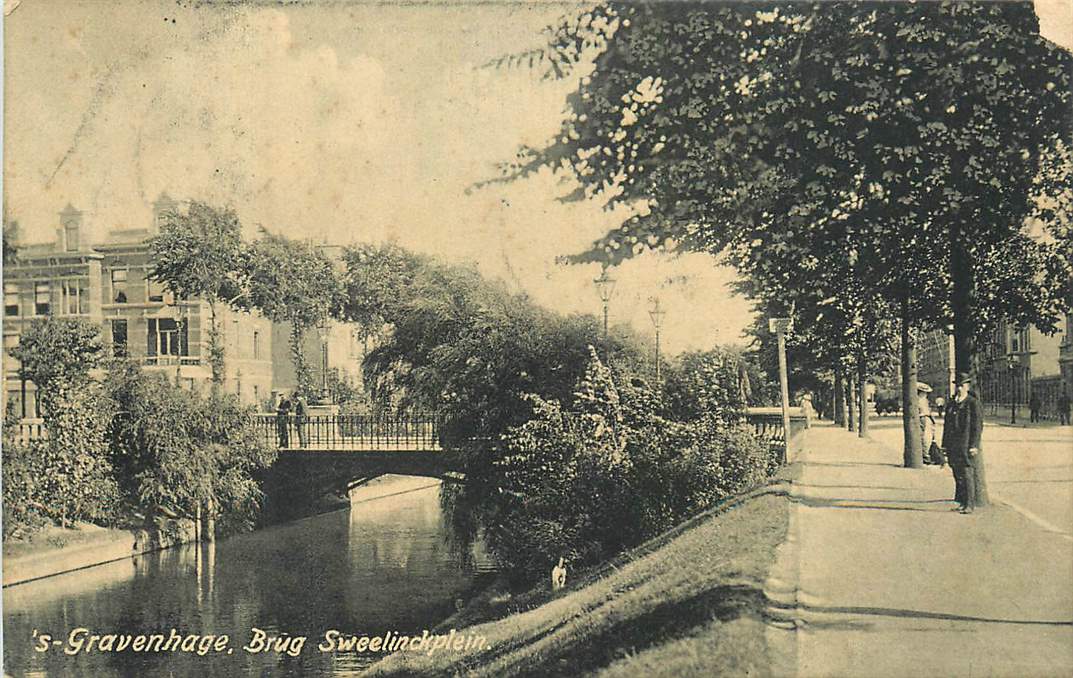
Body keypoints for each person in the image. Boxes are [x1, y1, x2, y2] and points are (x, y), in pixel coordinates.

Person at [941, 373, 983, 514]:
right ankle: (961, 502)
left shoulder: (972, 403)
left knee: (966, 473)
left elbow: (977, 426)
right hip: (953, 445)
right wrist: (944, 445)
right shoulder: (952, 403)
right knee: (957, 473)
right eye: (957, 385)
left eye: (962, 385)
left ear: (967, 386)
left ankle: (969, 504)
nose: (959, 388)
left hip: (966, 444)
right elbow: (947, 425)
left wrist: (974, 445)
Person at [918, 382, 943, 466]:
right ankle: (925, 455)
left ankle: (926, 455)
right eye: (924, 393)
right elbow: (925, 412)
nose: (926, 394)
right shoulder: (920, 401)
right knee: (925, 437)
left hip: (926, 418)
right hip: (924, 418)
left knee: (927, 437)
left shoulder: (923, 400)